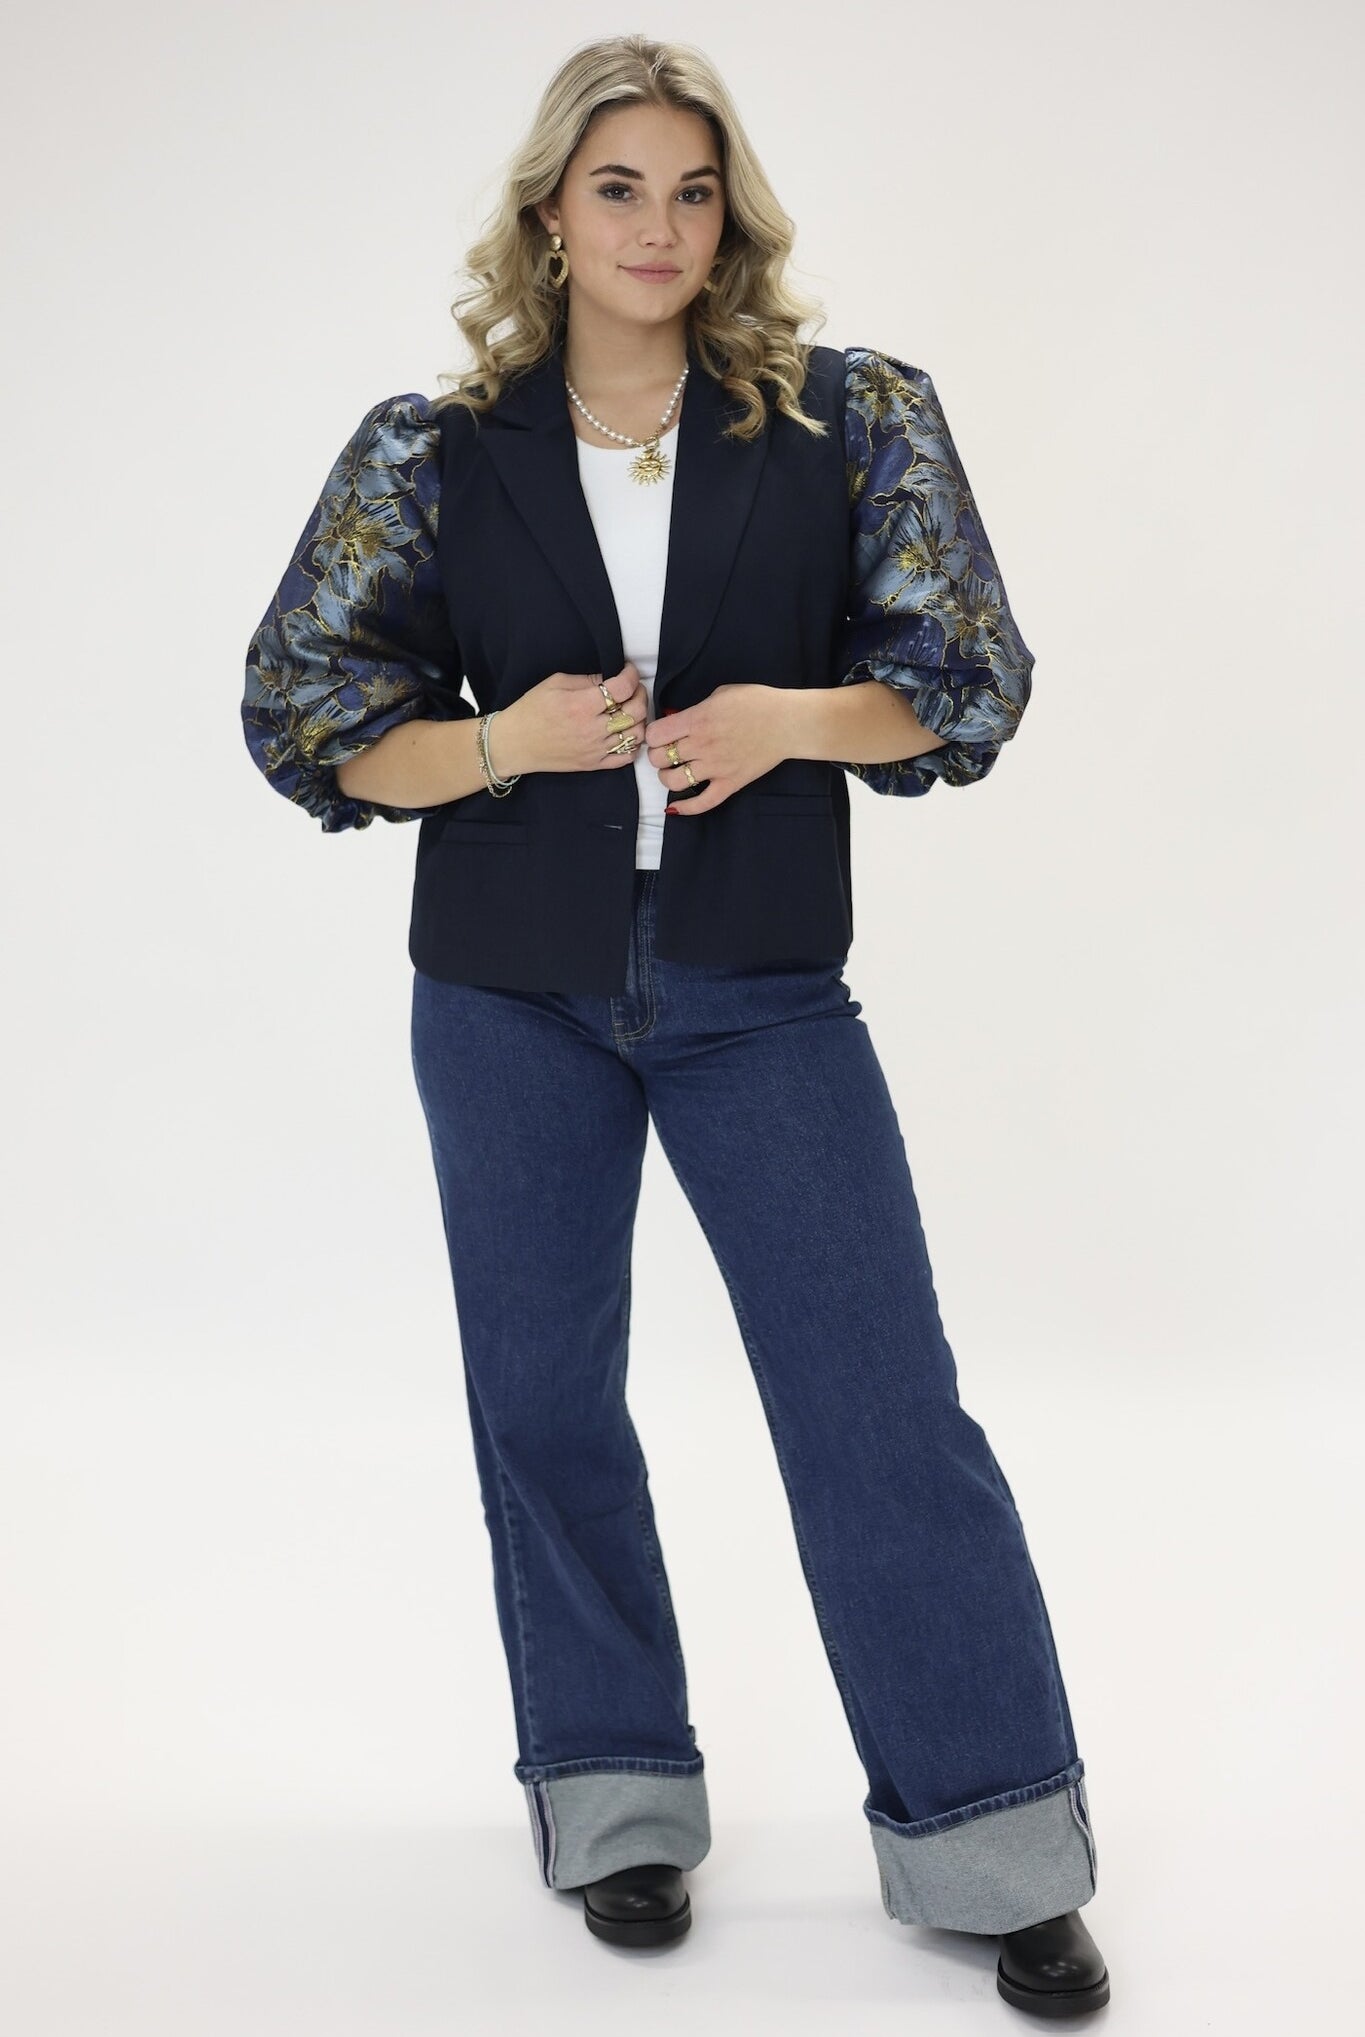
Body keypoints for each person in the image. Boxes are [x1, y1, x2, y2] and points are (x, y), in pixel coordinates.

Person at [241, 32, 1111, 2019]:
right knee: (546, 1406)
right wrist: (502, 744)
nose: (658, 226)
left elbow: (965, 680)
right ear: (550, 213)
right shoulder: (431, 450)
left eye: (692, 190)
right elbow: (305, 719)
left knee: (879, 1409)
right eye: (618, 187)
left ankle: (991, 1842)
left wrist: (787, 717)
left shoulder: (843, 421)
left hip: (757, 984)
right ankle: (617, 1798)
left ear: (732, 217)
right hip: (504, 994)